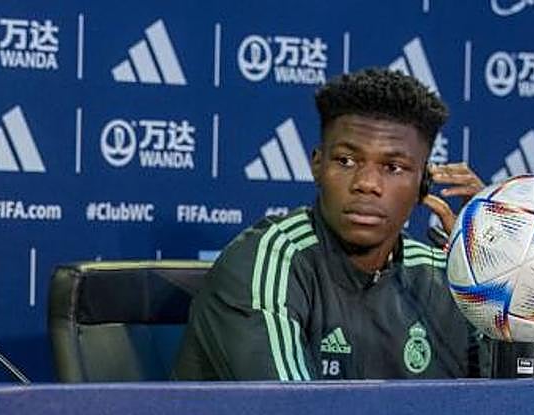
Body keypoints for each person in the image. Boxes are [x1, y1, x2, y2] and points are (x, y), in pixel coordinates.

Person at [172, 68, 486, 381]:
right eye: (346, 161)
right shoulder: (267, 261)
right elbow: (288, 409)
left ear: (424, 183)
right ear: (317, 165)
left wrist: (495, 268)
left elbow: (505, 401)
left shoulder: (441, 276)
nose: (366, 183)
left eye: (393, 167)